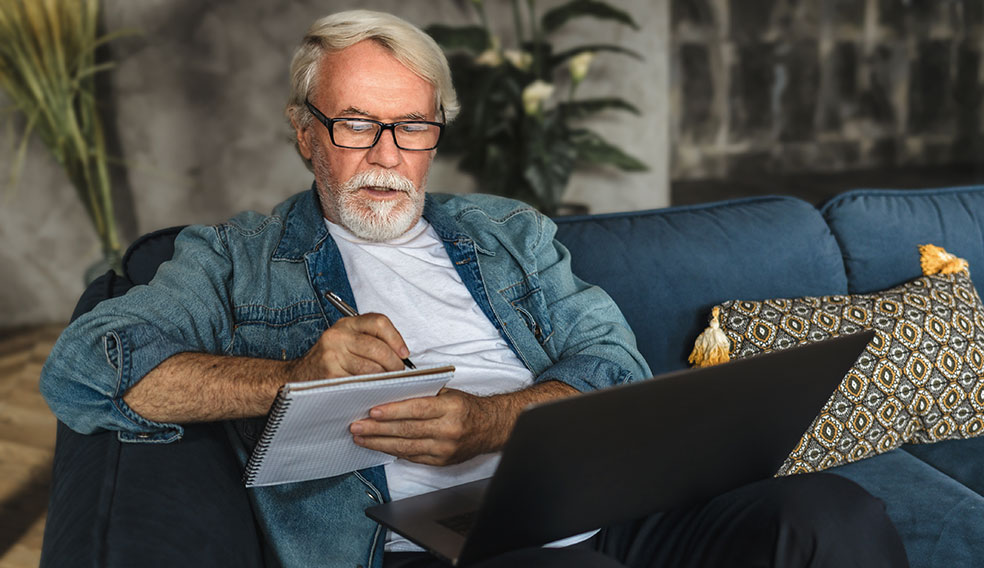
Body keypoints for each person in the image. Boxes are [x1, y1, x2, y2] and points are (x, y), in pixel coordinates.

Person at [40, 9, 908, 568]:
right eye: (355, 124)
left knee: (832, 517)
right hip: (433, 538)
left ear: (433, 135)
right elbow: (85, 369)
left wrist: (492, 421)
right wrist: (292, 381)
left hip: (605, 494)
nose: (385, 152)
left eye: (411, 125)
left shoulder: (508, 232)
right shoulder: (238, 256)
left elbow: (612, 360)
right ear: (306, 134)